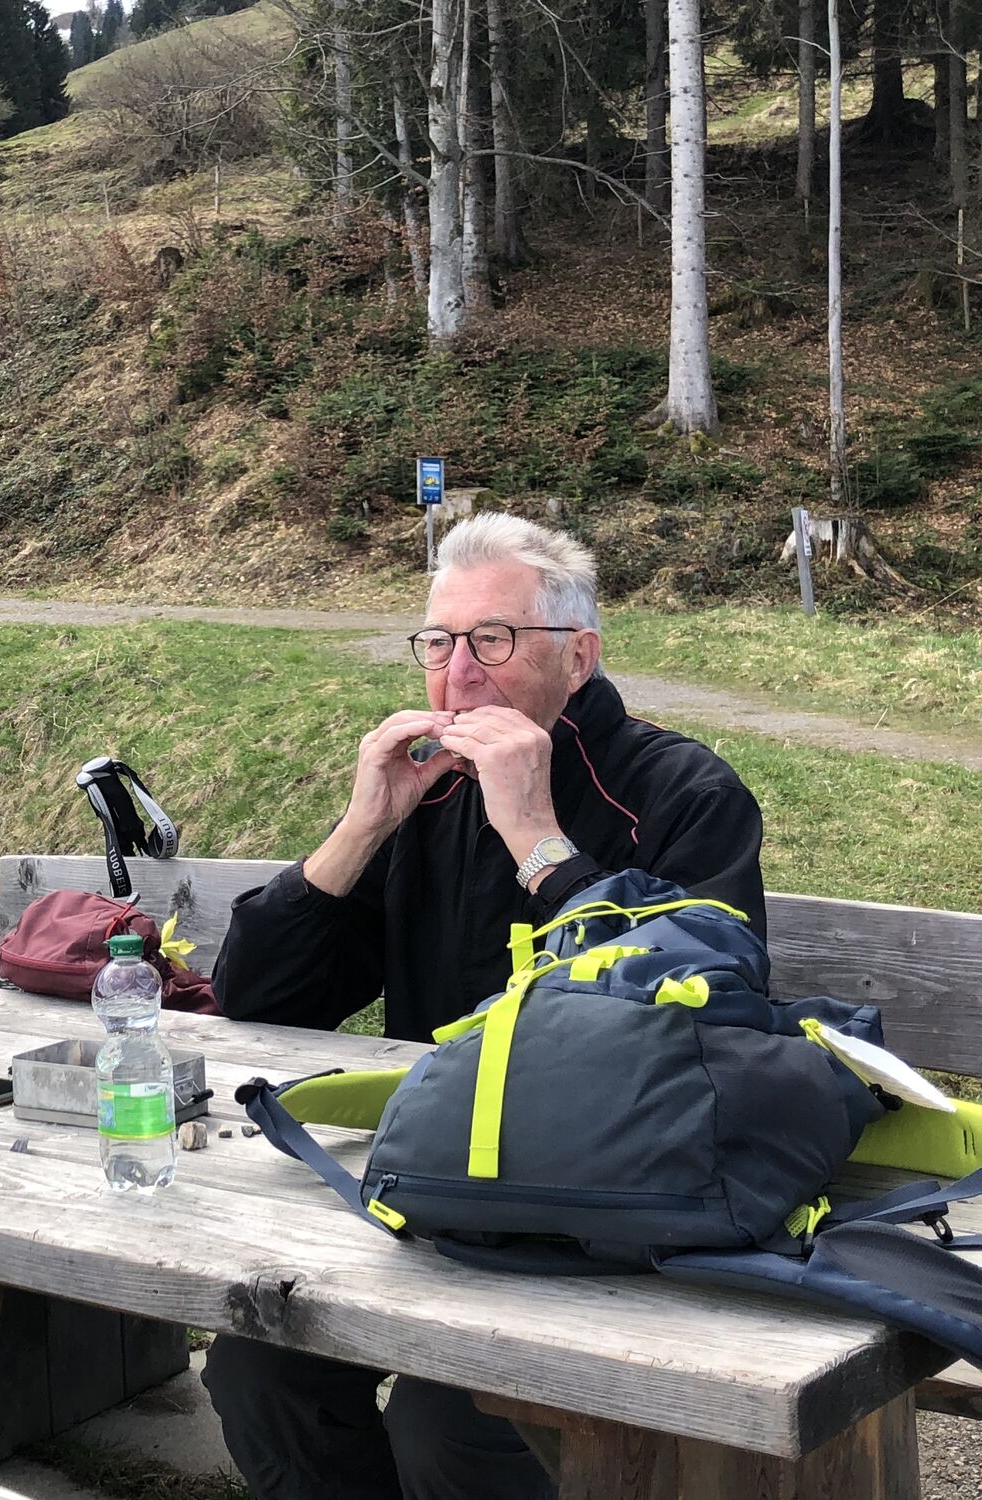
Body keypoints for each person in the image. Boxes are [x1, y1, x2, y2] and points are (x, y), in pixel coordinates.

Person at [201, 513, 767, 1500]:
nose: (458, 674)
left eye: (492, 640)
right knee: (259, 1368)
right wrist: (360, 826)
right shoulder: (426, 798)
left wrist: (538, 840)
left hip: (610, 1196)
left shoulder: (683, 792)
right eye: (438, 642)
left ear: (577, 658)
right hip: (437, 1181)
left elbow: (702, 1020)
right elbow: (259, 997)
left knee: (453, 1424)